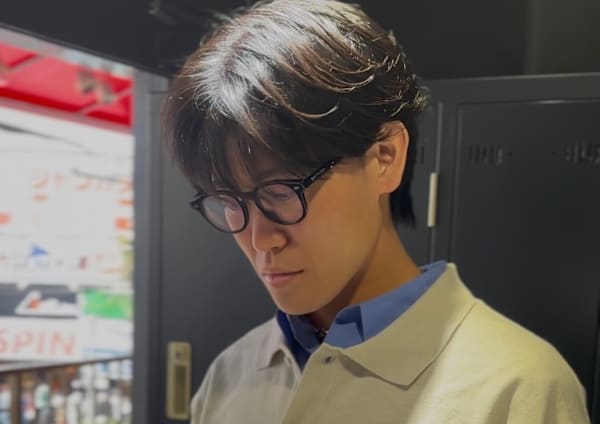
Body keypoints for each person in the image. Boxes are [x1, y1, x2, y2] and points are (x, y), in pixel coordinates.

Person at [162, 1, 590, 422]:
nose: (260, 240)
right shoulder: (229, 376)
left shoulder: (517, 390)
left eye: (282, 191)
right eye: (228, 200)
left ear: (385, 157)